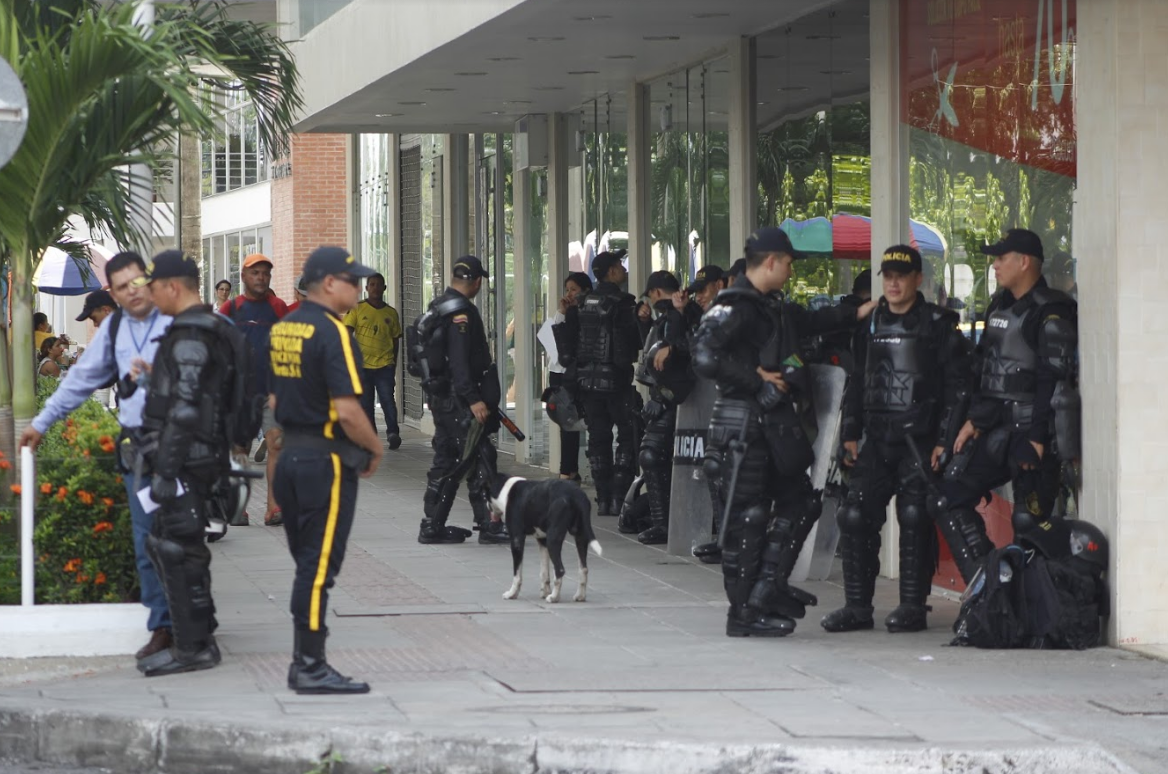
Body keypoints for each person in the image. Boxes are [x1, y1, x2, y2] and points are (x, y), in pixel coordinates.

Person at [692, 227, 875, 638]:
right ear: (771, 261)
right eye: (789, 262)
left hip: (774, 426)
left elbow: (808, 321)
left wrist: (856, 312)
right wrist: (754, 379)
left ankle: (766, 590)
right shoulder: (735, 305)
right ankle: (742, 614)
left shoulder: (768, 306)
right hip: (743, 426)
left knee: (800, 502)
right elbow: (704, 354)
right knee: (748, 519)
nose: (792, 269)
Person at [20, 251, 175, 663]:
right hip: (140, 449)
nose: (132, 293)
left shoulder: (177, 320)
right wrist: (42, 422)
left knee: (185, 538)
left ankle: (195, 622)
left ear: (148, 280)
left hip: (183, 447)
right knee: (146, 542)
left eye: (136, 283)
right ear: (114, 294)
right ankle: (163, 626)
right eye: (121, 287)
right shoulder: (116, 328)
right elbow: (82, 379)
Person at [821, 246, 970, 634]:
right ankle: (857, 606)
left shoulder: (939, 324)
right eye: (887, 275)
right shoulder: (869, 322)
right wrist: (850, 434)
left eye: (901, 275)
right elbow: (857, 381)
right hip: (877, 438)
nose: (893, 282)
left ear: (918, 279)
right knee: (854, 515)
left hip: (918, 441)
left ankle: (911, 606)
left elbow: (958, 388)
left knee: (914, 517)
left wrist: (944, 440)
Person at [935, 229, 1078, 583]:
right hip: (995, 427)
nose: (995, 265)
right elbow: (984, 369)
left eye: (1002, 258)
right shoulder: (999, 305)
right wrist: (974, 420)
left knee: (1028, 523)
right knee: (946, 497)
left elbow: (1051, 380)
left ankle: (1029, 604)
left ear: (1024, 262)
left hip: (1031, 433)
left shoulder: (1052, 310)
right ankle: (991, 585)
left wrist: (1039, 438)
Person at [270, 245, 382, 694]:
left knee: (306, 565)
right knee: (318, 569)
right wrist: (375, 449)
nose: (358, 289)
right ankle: (310, 664)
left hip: (291, 459)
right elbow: (348, 410)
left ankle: (307, 660)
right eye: (353, 281)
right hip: (324, 461)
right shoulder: (333, 331)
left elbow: (275, 401)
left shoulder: (284, 328)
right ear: (330, 284)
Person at [133, 251, 248, 677]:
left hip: (185, 461)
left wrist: (165, 471)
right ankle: (195, 637)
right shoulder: (201, 330)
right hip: (192, 457)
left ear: (173, 287)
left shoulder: (191, 337)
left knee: (176, 548)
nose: (148, 294)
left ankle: (193, 647)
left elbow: (184, 411)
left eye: (153, 286)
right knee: (180, 548)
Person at [416, 255, 509, 545]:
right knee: (471, 460)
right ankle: (481, 525)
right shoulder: (461, 314)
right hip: (461, 402)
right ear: (477, 281)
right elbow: (458, 361)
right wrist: (473, 399)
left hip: (445, 400)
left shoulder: (439, 306)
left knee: (457, 458)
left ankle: (438, 524)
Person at [555, 251, 643, 516]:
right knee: (628, 435)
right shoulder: (624, 302)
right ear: (612, 272)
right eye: (620, 266)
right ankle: (619, 495)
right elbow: (634, 344)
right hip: (616, 381)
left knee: (598, 438)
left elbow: (566, 352)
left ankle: (603, 499)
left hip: (587, 383)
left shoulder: (578, 306)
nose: (624, 270)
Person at [219, 253, 288, 526]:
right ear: (244, 277)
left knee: (277, 444)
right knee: (240, 450)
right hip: (240, 394)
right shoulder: (231, 309)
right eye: (255, 273)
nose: (261, 278)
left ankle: (274, 507)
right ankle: (239, 507)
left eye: (265, 273)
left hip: (272, 392)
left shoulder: (278, 307)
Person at [343, 272, 402, 450]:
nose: (375, 288)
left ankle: (393, 433)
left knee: (387, 400)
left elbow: (395, 340)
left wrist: (394, 363)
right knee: (366, 403)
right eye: (372, 285)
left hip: (385, 365)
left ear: (384, 288)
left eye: (379, 285)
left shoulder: (391, 313)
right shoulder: (357, 309)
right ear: (367, 288)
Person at [547, 272, 592, 482]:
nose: (569, 294)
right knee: (567, 423)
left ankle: (571, 470)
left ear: (585, 291)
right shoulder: (566, 313)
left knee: (580, 422)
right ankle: (568, 471)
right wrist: (561, 312)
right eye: (567, 290)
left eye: (574, 289)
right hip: (560, 373)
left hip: (577, 374)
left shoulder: (587, 313)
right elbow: (554, 339)